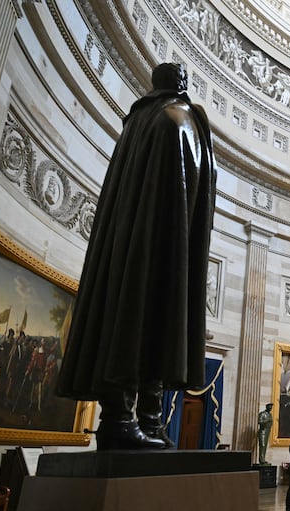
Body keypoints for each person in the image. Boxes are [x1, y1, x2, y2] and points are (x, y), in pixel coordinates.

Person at [56, 62, 216, 451]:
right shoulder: (172, 119)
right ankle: (123, 419)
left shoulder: (146, 121)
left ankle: (146, 418)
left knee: (155, 318)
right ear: (177, 86)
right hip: (156, 240)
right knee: (143, 316)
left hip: (151, 241)